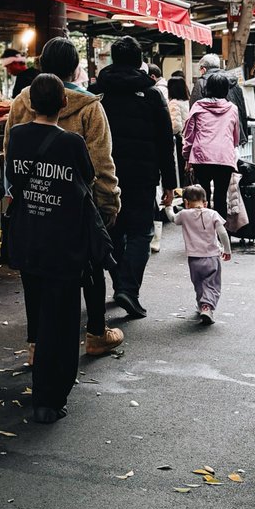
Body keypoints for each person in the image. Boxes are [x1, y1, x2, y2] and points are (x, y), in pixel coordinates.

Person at [5, 36, 123, 358]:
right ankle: (96, 333)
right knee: (89, 266)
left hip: (32, 205)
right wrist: (109, 203)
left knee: (34, 272)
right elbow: (102, 162)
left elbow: (9, 154)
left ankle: (35, 344)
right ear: (75, 68)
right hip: (76, 207)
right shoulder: (89, 107)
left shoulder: (21, 102)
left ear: (42, 66)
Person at [5, 74, 99, 423]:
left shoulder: (16, 136)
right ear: (64, 103)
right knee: (61, 322)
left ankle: (42, 389)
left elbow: (13, 179)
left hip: (28, 238)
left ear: (29, 104)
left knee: (39, 315)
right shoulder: (72, 143)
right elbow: (87, 179)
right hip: (64, 242)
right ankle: (50, 395)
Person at [90, 36, 176, 319]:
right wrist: (170, 183)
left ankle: (120, 283)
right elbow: (166, 141)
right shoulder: (151, 94)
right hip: (142, 176)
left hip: (103, 175)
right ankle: (128, 287)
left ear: (113, 59)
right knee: (141, 232)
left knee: (113, 230)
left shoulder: (96, 92)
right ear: (140, 61)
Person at [165, 184, 231, 324]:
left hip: (194, 259)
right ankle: (207, 307)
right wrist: (227, 250)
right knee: (212, 284)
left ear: (186, 203)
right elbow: (222, 233)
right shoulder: (212, 214)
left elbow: (172, 218)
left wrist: (168, 206)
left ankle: (202, 305)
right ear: (205, 202)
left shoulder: (183, 214)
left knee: (199, 284)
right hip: (212, 257)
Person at [183, 71, 240, 219]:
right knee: (221, 196)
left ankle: (204, 232)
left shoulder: (198, 106)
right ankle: (220, 234)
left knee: (203, 196)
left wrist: (186, 155)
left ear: (207, 88)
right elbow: (235, 136)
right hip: (224, 157)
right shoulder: (232, 108)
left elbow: (189, 134)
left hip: (202, 156)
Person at [191, 53, 248, 140]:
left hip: (209, 135)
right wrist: (243, 134)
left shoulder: (201, 83)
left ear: (204, 69)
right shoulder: (234, 82)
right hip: (232, 133)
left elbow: (194, 110)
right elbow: (241, 108)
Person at [167, 73, 190, 188]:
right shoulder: (187, 102)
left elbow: (175, 126)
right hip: (188, 139)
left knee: (179, 168)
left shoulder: (173, 103)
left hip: (179, 140)